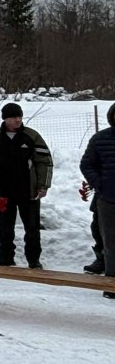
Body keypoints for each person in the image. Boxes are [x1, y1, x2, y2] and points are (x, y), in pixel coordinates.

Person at [0, 102, 53, 268]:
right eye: (13, 117)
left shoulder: (32, 136)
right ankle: (5, 256)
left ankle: (33, 259)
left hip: (29, 190)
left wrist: (43, 185)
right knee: (5, 226)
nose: (18, 120)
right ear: (5, 119)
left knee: (32, 227)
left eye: (19, 117)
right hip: (3, 190)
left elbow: (45, 162)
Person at [80, 103, 115, 287]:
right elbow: (86, 164)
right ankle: (111, 285)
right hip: (108, 198)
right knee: (110, 243)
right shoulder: (100, 139)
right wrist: (100, 184)